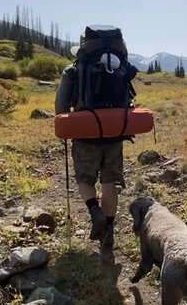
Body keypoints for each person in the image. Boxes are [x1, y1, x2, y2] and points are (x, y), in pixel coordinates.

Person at [55, 26, 137, 251]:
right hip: (114, 133)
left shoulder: (72, 70)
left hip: (85, 135)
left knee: (85, 180)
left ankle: (94, 212)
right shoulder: (120, 66)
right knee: (109, 183)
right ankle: (108, 233)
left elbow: (60, 108)